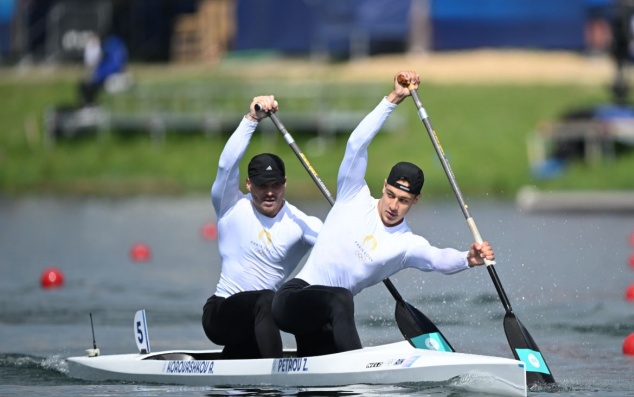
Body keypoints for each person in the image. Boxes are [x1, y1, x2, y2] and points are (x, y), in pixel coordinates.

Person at [271, 70, 495, 357]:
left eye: (403, 200)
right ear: (383, 186)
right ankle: (360, 371)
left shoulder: (405, 244)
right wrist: (392, 100)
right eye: (390, 194)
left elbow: (438, 258)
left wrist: (468, 258)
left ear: (416, 201)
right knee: (340, 298)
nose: (393, 205)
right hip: (292, 300)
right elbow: (356, 144)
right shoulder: (353, 195)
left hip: (323, 322)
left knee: (324, 396)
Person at [202, 95, 324, 360]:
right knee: (268, 300)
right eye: (261, 185)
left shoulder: (302, 223)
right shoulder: (230, 206)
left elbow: (341, 248)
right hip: (221, 314)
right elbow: (226, 165)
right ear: (248, 184)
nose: (269, 192)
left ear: (285, 183)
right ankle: (278, 378)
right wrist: (251, 119)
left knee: (312, 297)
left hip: (259, 325)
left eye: (276, 185)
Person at [78, 33, 128, 106]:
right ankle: (90, 104)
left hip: (110, 79)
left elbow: (109, 68)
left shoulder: (110, 55)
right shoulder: (112, 51)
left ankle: (90, 105)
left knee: (88, 86)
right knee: (88, 85)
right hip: (112, 76)